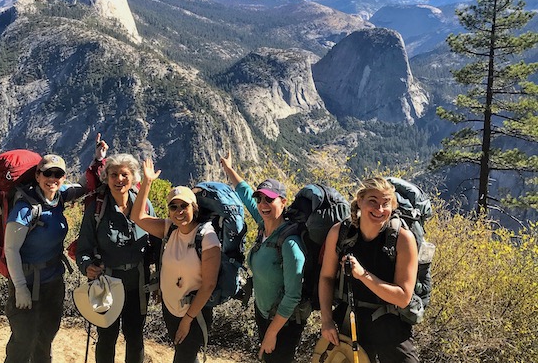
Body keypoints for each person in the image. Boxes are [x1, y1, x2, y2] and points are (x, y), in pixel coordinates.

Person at [318, 176, 420, 363]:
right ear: (360, 202)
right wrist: (326, 320)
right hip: (349, 321)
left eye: (385, 203)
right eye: (373, 202)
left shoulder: (403, 240)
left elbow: (403, 297)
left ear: (392, 206)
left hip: (389, 323)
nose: (379, 209)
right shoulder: (340, 233)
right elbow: (326, 277)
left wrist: (363, 275)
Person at [75, 137, 159, 363]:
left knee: (135, 337)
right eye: (114, 174)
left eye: (125, 175)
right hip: (107, 282)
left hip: (138, 282)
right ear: (107, 178)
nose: (119, 179)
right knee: (106, 336)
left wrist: (160, 279)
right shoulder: (97, 209)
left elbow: (157, 244)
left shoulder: (145, 205)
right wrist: (87, 266)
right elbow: (83, 248)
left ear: (133, 179)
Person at [130, 158, 221, 363]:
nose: (179, 211)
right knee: (186, 356)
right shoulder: (169, 229)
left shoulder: (207, 237)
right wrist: (147, 182)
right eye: (173, 207)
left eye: (184, 206)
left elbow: (209, 285)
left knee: (183, 358)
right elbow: (137, 216)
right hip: (170, 309)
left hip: (193, 313)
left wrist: (187, 320)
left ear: (194, 208)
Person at [220, 150, 306, 363]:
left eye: (270, 199)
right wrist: (229, 169)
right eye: (260, 198)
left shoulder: (290, 244)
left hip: (283, 323)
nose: (263, 204)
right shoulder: (264, 226)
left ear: (283, 202)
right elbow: (246, 194)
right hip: (264, 314)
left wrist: (271, 333)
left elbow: (293, 296)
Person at [3, 153, 86, 363]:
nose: (53, 178)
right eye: (47, 173)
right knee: (22, 342)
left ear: (64, 177)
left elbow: (85, 186)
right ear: (38, 176)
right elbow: (10, 249)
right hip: (27, 283)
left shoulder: (60, 196)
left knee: (45, 339)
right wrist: (20, 288)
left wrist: (98, 159)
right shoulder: (25, 209)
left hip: (53, 282)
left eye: (58, 174)